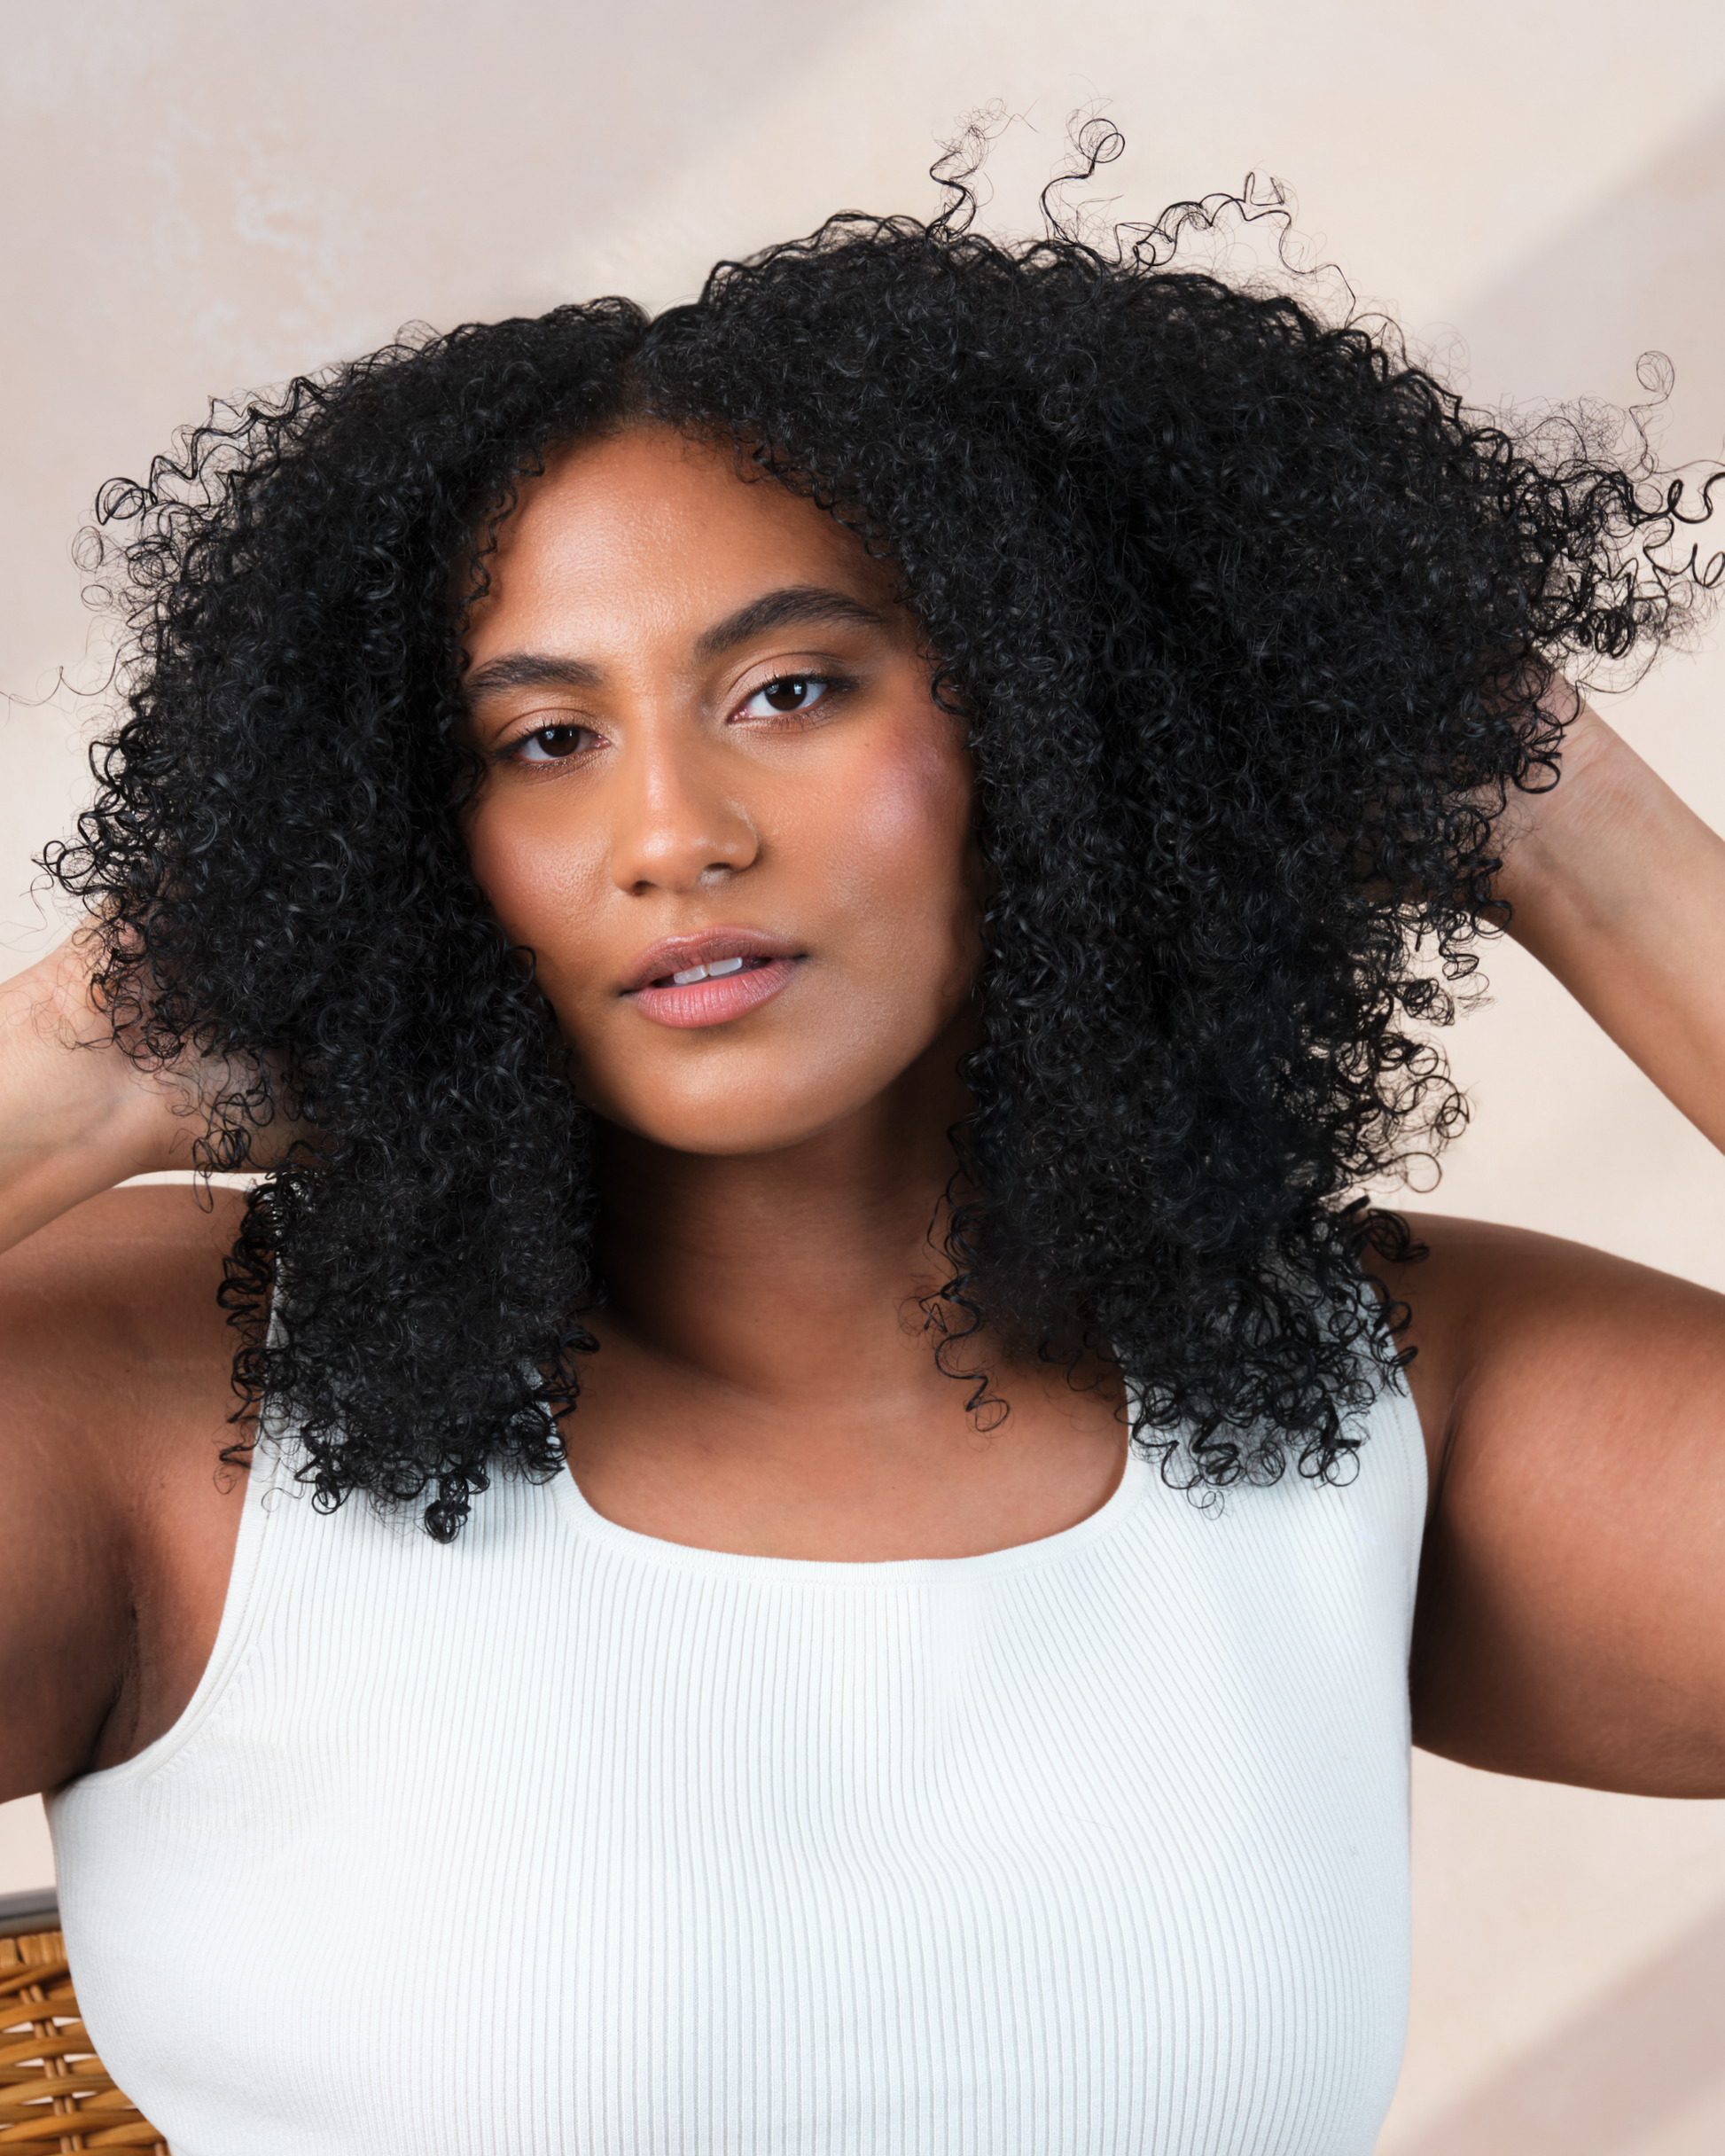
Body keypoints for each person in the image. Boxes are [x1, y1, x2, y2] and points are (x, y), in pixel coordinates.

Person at [2, 157, 1722, 2153]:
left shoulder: (1351, 1387)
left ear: (1065, 719)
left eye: (792, 689)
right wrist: (68, 1075)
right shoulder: (166, 1399)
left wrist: (1559, 821)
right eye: (544, 739)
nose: (674, 833)